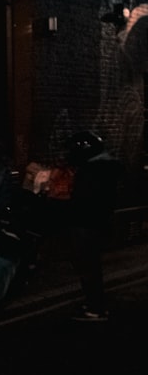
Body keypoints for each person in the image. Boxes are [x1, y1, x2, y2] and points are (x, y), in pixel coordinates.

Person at [66, 130, 122, 322]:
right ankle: (94, 303)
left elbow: (83, 200)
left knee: (88, 267)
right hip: (97, 223)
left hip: (86, 224)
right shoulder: (105, 168)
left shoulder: (92, 171)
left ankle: (95, 308)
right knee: (91, 266)